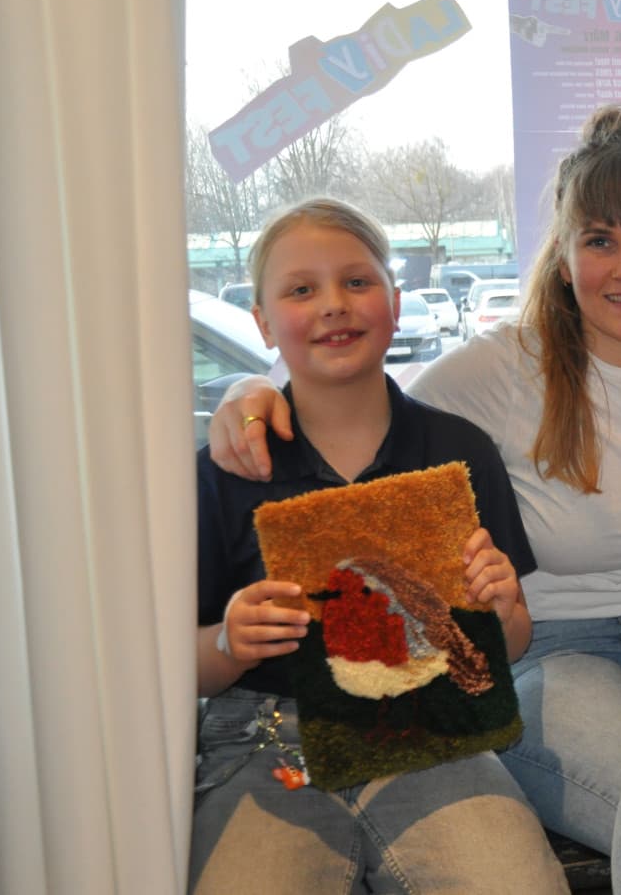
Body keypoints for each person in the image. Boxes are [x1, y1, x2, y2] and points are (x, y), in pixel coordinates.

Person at [207, 108, 621, 894]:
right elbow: (353, 407)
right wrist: (247, 393)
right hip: (553, 647)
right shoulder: (495, 369)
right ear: (563, 256)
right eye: (600, 241)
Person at [193, 198, 568, 894]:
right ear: (262, 322)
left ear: (395, 305)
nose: (334, 304)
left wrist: (503, 605)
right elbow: (178, 668)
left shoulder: (457, 453)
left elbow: (508, 645)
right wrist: (227, 643)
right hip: (268, 740)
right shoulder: (227, 470)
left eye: (357, 282)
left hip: (435, 730)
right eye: (302, 289)